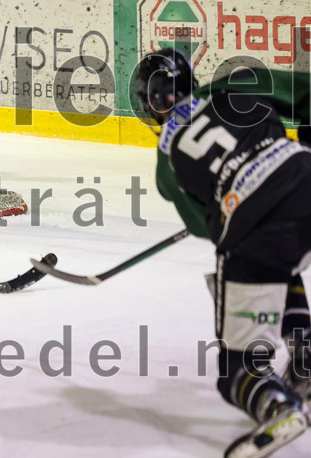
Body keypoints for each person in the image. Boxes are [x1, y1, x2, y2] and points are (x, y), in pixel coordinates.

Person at [132, 48, 311, 456]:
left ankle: (279, 404)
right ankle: (307, 357)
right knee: (276, 254)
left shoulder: (166, 159)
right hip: (305, 174)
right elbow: (307, 92)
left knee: (237, 373)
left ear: (152, 104)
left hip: (258, 227)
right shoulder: (233, 84)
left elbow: (204, 228)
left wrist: (227, 204)